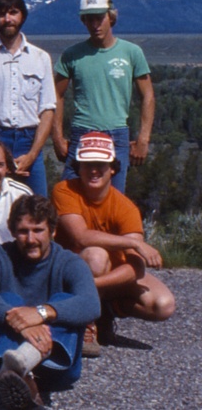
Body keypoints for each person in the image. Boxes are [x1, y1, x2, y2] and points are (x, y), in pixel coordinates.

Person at [0, 195, 101, 409]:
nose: (30, 239)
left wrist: (42, 313)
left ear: (53, 230)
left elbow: (91, 304)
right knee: (7, 300)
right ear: (12, 231)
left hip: (56, 366)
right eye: (23, 231)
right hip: (0, 362)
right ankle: (25, 385)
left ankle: (19, 364)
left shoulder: (69, 261)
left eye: (38, 230)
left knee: (63, 301)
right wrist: (20, 321)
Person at [51, 132, 175, 356]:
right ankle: (86, 323)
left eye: (101, 164)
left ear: (113, 168)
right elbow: (80, 237)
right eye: (87, 164)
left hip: (102, 277)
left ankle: (104, 311)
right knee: (96, 255)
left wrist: (93, 288)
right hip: (70, 271)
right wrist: (133, 243)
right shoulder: (65, 190)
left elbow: (136, 268)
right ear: (78, 167)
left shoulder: (125, 208)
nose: (94, 170)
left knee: (163, 304)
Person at [52, 0, 154, 197]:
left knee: (113, 200)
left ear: (111, 17)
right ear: (83, 21)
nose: (95, 24)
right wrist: (57, 137)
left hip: (117, 134)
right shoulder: (72, 55)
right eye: (89, 19)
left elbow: (148, 96)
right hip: (82, 133)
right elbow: (56, 95)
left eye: (100, 18)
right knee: (68, 196)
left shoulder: (131, 52)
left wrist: (143, 139)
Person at [0, 0, 56, 196]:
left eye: (13, 12)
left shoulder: (40, 58)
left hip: (30, 140)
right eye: (1, 14)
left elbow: (47, 110)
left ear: (22, 16)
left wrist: (32, 154)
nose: (8, 19)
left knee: (37, 206)